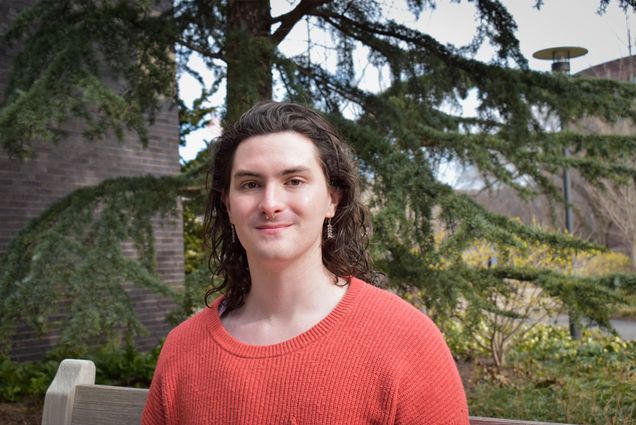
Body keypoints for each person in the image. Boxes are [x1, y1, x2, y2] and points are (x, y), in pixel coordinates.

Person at [141, 101, 470, 424]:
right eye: (250, 184)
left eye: (294, 181)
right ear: (228, 205)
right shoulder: (183, 350)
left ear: (332, 199)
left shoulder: (407, 340)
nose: (270, 203)